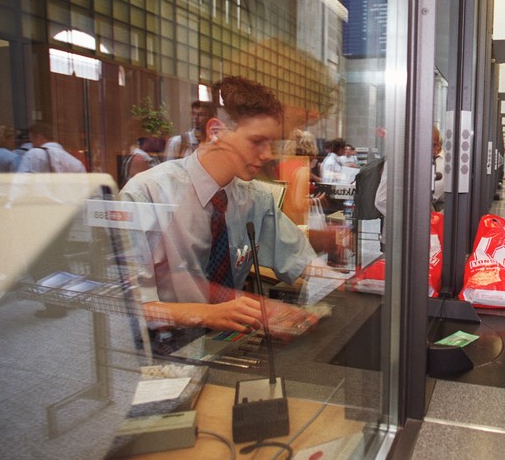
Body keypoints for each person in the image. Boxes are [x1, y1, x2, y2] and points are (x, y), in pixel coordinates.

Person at [120, 75, 317, 336]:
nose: (268, 154)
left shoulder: (255, 198)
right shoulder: (146, 194)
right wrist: (210, 314)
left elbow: (302, 260)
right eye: (257, 141)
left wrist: (349, 280)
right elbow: (128, 306)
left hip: (224, 343)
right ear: (216, 132)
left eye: (271, 143)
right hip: (164, 349)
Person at [17, 121, 86, 173]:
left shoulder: (34, 154)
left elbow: (21, 185)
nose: (31, 145)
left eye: (31, 141)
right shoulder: (76, 164)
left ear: (38, 137)